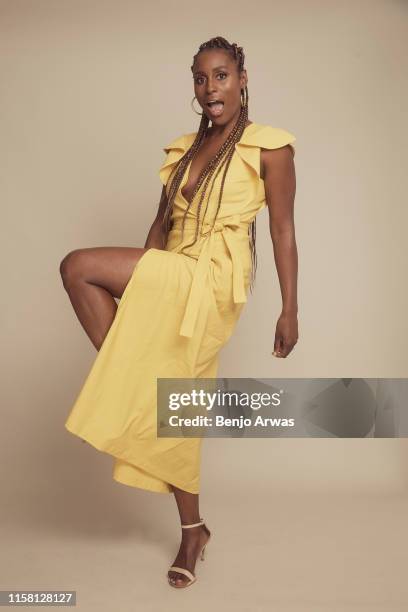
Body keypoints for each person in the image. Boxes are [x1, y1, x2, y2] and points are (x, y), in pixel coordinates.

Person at [60, 35, 298, 589]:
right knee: (175, 405)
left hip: (213, 280)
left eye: (220, 76)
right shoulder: (184, 150)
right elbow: (160, 228)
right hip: (173, 268)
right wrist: (145, 271)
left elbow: (284, 231)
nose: (209, 88)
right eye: (200, 78)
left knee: (77, 265)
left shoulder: (270, 147)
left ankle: (127, 377)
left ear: (241, 78)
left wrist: (290, 309)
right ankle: (193, 530)